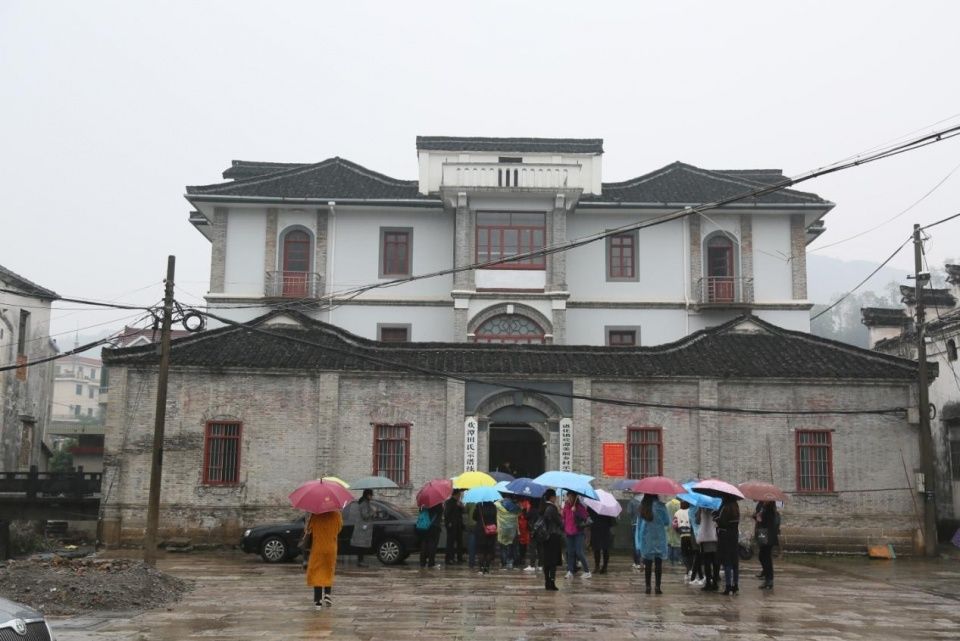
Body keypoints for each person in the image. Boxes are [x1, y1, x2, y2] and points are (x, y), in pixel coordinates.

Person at [305, 509, 343, 608]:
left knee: (317, 571)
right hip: (331, 546)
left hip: (318, 547)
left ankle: (318, 600)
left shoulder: (315, 515)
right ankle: (327, 594)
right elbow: (339, 528)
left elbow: (309, 529)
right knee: (328, 570)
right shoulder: (336, 514)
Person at [636, 494, 670, 594]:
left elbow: (640, 526)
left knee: (648, 564)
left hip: (647, 538)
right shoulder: (661, 506)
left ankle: (648, 587)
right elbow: (667, 522)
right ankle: (657, 587)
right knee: (658, 564)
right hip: (659, 538)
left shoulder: (643, 507)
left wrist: (639, 543)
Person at [561, 493, 592, 579]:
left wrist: (576, 512)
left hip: (578, 532)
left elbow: (585, 517)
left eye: (571, 496)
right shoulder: (566, 506)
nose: (569, 498)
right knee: (570, 552)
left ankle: (587, 571)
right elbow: (564, 517)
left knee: (579, 552)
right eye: (568, 496)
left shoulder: (579, 507)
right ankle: (570, 571)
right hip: (568, 532)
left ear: (575, 497)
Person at [539, 489, 563, 590]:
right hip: (553, 536)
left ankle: (546, 581)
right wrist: (560, 514)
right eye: (555, 496)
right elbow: (559, 523)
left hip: (545, 537)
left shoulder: (542, 507)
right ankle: (552, 582)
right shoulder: (552, 508)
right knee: (553, 561)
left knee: (546, 560)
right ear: (552, 497)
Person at [716, 497, 740, 595]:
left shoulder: (725, 507)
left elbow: (722, 522)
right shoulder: (736, 507)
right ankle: (735, 585)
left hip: (725, 536)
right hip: (734, 535)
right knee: (734, 562)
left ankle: (728, 586)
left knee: (727, 562)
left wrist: (716, 517)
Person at [755, 500, 779, 589]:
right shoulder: (764, 508)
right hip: (764, 534)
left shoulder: (769, 510)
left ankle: (769, 579)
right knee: (763, 556)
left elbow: (766, 522)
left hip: (767, 535)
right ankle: (768, 579)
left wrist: (759, 519)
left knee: (765, 557)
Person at [696, 505, 720, 592]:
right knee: (715, 561)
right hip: (714, 537)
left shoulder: (702, 507)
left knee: (707, 561)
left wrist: (699, 510)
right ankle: (715, 582)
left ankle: (708, 583)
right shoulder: (716, 507)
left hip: (705, 537)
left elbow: (697, 521)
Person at [351, 489, 375, 567]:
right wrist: (373, 512)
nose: (372, 497)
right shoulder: (364, 503)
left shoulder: (365, 502)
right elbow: (365, 516)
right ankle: (360, 561)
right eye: (371, 495)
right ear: (367, 495)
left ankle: (361, 561)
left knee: (361, 545)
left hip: (362, 528)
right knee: (361, 546)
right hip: (362, 528)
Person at [473, 500, 498, 574]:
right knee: (489, 550)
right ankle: (487, 567)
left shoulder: (479, 506)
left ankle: (481, 568)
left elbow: (474, 517)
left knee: (481, 550)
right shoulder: (494, 507)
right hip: (492, 530)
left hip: (481, 530)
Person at [588, 507, 615, 574]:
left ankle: (599, 567)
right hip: (602, 529)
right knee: (602, 548)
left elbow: (589, 517)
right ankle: (603, 567)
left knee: (600, 548)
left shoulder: (592, 505)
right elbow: (611, 522)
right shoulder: (607, 506)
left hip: (599, 529)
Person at [418, 502, 443, 569]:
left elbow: (420, 512)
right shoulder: (437, 504)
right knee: (432, 545)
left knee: (424, 543)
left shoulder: (423, 504)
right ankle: (431, 563)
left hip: (424, 526)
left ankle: (422, 563)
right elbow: (440, 512)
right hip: (434, 526)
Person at [496, 498, 520, 568]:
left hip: (503, 529)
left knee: (504, 547)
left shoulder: (499, 506)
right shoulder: (515, 508)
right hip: (513, 529)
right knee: (514, 547)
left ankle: (504, 564)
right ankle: (515, 564)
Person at [444, 489, 465, 565]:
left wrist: (461, 507)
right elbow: (447, 514)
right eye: (459, 495)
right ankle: (449, 558)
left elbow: (462, 513)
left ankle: (460, 558)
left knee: (459, 542)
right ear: (455, 495)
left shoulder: (458, 503)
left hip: (459, 525)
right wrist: (449, 523)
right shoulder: (449, 502)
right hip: (452, 525)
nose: (460, 496)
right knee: (450, 543)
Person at [676, 500, 695, 580]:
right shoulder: (691, 511)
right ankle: (690, 569)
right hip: (691, 535)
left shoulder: (677, 512)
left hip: (683, 536)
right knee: (691, 553)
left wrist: (679, 531)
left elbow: (674, 524)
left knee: (684, 554)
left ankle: (688, 569)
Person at [688, 503, 705, 585]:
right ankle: (693, 578)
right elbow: (698, 521)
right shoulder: (696, 508)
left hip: (693, 534)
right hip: (698, 534)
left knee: (698, 556)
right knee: (698, 556)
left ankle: (701, 577)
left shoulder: (690, 509)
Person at [626, 492, 643, 568]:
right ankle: (644, 562)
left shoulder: (632, 501)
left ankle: (637, 563)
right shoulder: (645, 501)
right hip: (644, 524)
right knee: (643, 543)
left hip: (635, 523)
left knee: (635, 543)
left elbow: (629, 512)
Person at [665, 497, 682, 565]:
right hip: (677, 526)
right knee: (677, 542)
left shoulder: (667, 505)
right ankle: (677, 560)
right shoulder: (680, 504)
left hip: (668, 526)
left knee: (669, 542)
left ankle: (669, 560)